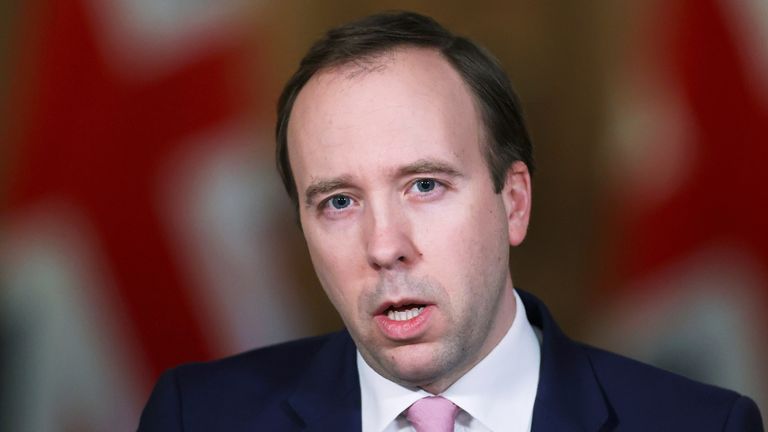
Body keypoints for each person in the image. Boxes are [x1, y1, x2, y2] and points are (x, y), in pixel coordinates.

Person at [138, 11, 763, 431]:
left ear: (514, 202)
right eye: (339, 202)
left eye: (426, 185)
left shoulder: (703, 425)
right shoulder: (196, 417)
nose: (384, 246)